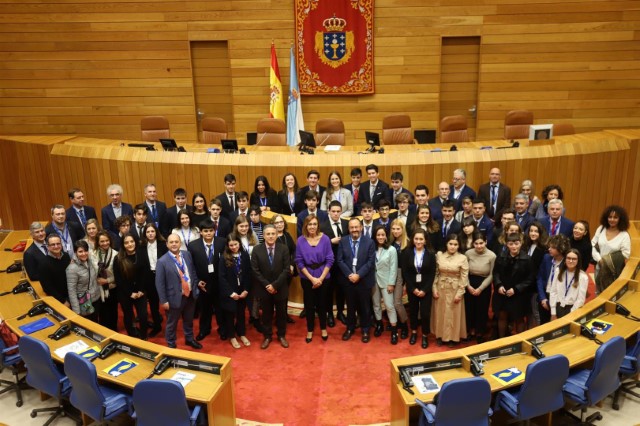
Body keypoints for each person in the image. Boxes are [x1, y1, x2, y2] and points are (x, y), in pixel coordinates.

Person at [155, 233, 204, 349]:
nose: (174, 244)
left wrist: (195, 287)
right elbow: (159, 283)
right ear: (167, 244)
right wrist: (163, 300)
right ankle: (171, 343)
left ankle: (189, 339)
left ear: (180, 243)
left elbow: (192, 272)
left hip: (190, 295)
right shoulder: (162, 261)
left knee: (189, 320)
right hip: (173, 298)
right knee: (172, 323)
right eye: (171, 242)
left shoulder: (187, 255)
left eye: (176, 242)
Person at [337, 218, 376, 343]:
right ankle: (350, 328)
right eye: (352, 227)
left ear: (361, 228)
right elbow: (340, 260)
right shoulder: (343, 241)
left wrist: (358, 275)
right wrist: (350, 274)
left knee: (365, 307)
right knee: (350, 306)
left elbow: (370, 262)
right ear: (348, 229)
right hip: (348, 281)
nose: (354, 229)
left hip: (363, 280)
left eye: (356, 227)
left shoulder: (369, 242)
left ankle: (365, 329)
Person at [252, 224, 291, 349]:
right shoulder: (257, 250)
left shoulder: (284, 248)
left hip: (280, 288)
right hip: (264, 290)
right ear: (263, 235)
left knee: (281, 314)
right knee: (266, 315)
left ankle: (281, 335)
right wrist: (267, 285)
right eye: (268, 234)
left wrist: (274, 285)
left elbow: (286, 270)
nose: (270, 236)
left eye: (273, 234)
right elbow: (255, 270)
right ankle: (267, 336)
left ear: (276, 234)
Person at [296, 215, 334, 343]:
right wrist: (312, 279)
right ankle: (310, 330)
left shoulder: (325, 239)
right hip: (307, 277)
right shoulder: (300, 240)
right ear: (305, 226)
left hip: (324, 276)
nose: (312, 226)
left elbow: (330, 259)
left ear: (318, 225)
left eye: (314, 224)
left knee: (322, 304)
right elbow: (299, 262)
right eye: (309, 224)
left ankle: (323, 328)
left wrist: (321, 279)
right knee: (309, 305)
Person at [188, 219, 226, 342]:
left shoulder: (222, 242)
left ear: (214, 231)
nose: (208, 233)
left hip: (219, 283)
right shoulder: (193, 246)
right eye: (206, 231)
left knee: (220, 309)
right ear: (201, 232)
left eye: (211, 231)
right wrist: (197, 281)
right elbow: (191, 266)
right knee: (204, 309)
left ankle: (223, 329)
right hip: (203, 283)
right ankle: (204, 329)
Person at [492, 233, 534, 338]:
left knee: (519, 319)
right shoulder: (501, 257)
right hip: (503, 292)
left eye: (516, 243)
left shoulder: (527, 259)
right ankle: (502, 340)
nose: (514, 246)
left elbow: (530, 279)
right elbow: (495, 273)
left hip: (519, 294)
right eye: (511, 244)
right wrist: (499, 285)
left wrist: (516, 289)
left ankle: (520, 341)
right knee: (502, 316)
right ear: (507, 245)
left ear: (521, 244)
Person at [401, 228, 436, 348]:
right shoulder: (407, 252)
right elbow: (405, 272)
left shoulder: (431, 253)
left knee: (425, 313)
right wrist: (412, 288)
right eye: (416, 238)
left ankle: (425, 335)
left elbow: (432, 273)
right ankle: (414, 332)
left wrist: (425, 290)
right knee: (413, 312)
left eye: (421, 239)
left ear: (425, 240)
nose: (418, 241)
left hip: (426, 288)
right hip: (412, 288)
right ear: (412, 240)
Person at [432, 233, 469, 347]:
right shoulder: (439, 255)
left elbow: (464, 277)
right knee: (440, 312)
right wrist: (434, 288)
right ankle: (440, 335)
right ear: (446, 244)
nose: (452, 246)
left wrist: (460, 293)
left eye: (455, 244)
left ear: (459, 246)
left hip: (455, 287)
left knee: (453, 313)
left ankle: (453, 337)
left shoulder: (463, 258)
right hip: (441, 286)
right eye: (450, 244)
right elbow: (436, 273)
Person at [218, 234, 251, 349]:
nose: (233, 247)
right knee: (230, 315)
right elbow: (221, 278)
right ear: (227, 245)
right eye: (231, 245)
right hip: (230, 292)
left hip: (242, 291)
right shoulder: (224, 257)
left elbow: (248, 274)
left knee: (241, 314)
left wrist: (246, 290)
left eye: (235, 244)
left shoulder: (245, 255)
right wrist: (231, 293)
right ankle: (231, 336)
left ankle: (241, 333)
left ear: (239, 244)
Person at [114, 234, 148, 340]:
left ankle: (143, 337)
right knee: (128, 315)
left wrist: (141, 291)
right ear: (123, 245)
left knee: (143, 316)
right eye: (126, 242)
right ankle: (132, 336)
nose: (130, 244)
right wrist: (130, 293)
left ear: (135, 242)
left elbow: (145, 274)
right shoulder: (118, 258)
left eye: (131, 241)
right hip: (125, 293)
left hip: (140, 291)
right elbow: (119, 279)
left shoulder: (141, 254)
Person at [320, 201, 348, 327]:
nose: (336, 214)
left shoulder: (346, 224)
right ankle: (329, 314)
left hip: (344, 264)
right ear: (329, 212)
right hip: (328, 265)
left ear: (341, 211)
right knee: (328, 291)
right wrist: (331, 241)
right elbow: (319, 247)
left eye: (338, 211)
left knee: (342, 290)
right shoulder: (323, 226)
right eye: (333, 211)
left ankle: (341, 313)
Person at [464, 231, 496, 344]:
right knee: (469, 309)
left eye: (481, 243)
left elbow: (492, 274)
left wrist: (480, 288)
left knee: (481, 309)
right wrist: (468, 286)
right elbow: (464, 272)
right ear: (473, 244)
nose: (479, 246)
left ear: (486, 242)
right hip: (469, 283)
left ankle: (480, 332)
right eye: (476, 243)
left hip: (484, 284)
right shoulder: (468, 253)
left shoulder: (492, 256)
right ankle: (470, 331)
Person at [592, 205, 631, 293]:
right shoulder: (601, 229)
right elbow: (593, 245)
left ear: (620, 219)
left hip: (613, 272)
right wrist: (600, 260)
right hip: (599, 267)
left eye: (615, 217)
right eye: (610, 217)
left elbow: (625, 254)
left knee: (610, 295)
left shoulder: (624, 235)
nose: (612, 220)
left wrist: (606, 261)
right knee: (598, 292)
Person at [138, 223, 167, 337]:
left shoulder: (163, 245)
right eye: (148, 232)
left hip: (162, 275)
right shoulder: (141, 246)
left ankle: (170, 325)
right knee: (154, 304)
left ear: (156, 232)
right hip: (149, 277)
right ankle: (157, 326)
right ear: (145, 234)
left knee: (166, 301)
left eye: (152, 231)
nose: (150, 234)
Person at [372, 226, 398, 344]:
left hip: (387, 282)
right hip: (373, 281)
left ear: (386, 236)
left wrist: (391, 283)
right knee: (376, 304)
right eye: (378, 235)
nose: (380, 237)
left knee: (389, 306)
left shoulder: (391, 250)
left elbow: (393, 268)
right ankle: (379, 325)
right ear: (375, 236)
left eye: (383, 235)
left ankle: (394, 331)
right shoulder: (371, 248)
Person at [536, 234, 570, 325]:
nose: (549, 249)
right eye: (549, 247)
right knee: (543, 324)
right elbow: (539, 278)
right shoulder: (546, 258)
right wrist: (542, 298)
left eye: (553, 247)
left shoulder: (567, 263)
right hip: (545, 296)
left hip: (559, 300)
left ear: (561, 249)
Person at [272, 214, 297, 325]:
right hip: (277, 272)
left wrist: (291, 264)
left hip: (288, 272)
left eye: (281, 222)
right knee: (277, 296)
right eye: (277, 223)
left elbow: (294, 251)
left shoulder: (287, 235)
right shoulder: (272, 236)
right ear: (273, 224)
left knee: (285, 295)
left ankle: (284, 315)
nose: (279, 224)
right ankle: (278, 316)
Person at [550, 249, 589, 319]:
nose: (571, 261)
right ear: (565, 259)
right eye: (568, 258)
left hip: (572, 309)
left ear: (578, 261)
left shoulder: (583, 277)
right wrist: (553, 312)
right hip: (557, 307)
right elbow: (553, 291)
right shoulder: (558, 271)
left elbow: (580, 299)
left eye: (574, 259)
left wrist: (571, 314)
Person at [66, 240, 100, 321]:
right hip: (83, 302)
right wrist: (76, 311)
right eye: (80, 251)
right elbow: (72, 291)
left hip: (95, 299)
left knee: (96, 324)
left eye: (85, 251)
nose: (84, 253)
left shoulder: (90, 261)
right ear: (75, 252)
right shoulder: (71, 268)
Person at [91, 230, 119, 331]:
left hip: (112, 288)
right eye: (102, 241)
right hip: (99, 289)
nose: (105, 243)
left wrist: (107, 281)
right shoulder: (93, 255)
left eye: (107, 240)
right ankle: (104, 333)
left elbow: (119, 275)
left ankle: (114, 332)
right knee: (102, 314)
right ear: (98, 242)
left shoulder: (116, 254)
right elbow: (91, 271)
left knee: (113, 313)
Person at [38, 234, 71, 305]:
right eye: (53, 244)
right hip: (59, 301)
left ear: (61, 245)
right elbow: (47, 288)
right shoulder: (43, 264)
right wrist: (63, 301)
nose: (56, 246)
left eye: (58, 243)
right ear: (48, 247)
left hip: (71, 295)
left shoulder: (66, 256)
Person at [390, 219, 409, 339]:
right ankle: (395, 323)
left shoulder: (408, 244)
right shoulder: (390, 243)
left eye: (398, 229)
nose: (396, 231)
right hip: (390, 274)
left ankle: (404, 324)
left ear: (403, 230)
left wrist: (405, 283)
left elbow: (409, 266)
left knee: (397, 302)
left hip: (402, 274)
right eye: (393, 229)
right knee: (391, 303)